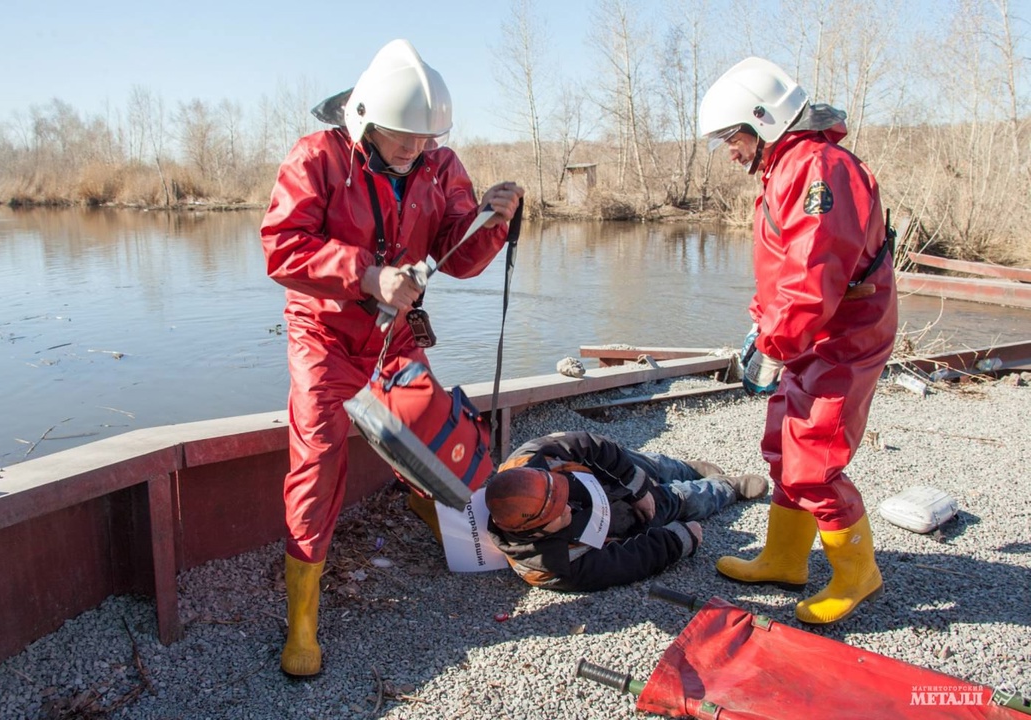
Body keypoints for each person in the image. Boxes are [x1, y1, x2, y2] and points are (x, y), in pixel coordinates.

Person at [260, 38, 524, 677]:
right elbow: (282, 249)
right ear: (365, 120)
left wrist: (491, 221)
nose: (414, 148)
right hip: (323, 336)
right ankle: (302, 621)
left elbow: (457, 259)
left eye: (425, 137)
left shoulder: (440, 166)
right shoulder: (316, 158)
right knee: (318, 461)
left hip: (394, 335)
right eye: (402, 136)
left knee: (434, 432)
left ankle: (436, 514)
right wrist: (368, 274)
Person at [698, 57, 897, 625]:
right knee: (785, 445)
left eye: (731, 136)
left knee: (815, 458)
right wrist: (763, 325)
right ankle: (786, 557)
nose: (729, 150)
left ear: (763, 122)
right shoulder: (789, 166)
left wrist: (774, 340)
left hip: (844, 334)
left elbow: (815, 272)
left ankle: (859, 573)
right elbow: (785, 270)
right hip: (813, 331)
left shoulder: (818, 170)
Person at [482, 431, 768, 592]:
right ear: (536, 530)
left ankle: (686, 469)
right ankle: (727, 488)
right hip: (617, 522)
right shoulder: (551, 568)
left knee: (647, 465)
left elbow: (592, 445)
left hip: (604, 478)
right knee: (676, 501)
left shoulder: (531, 456)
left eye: (562, 497)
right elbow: (626, 562)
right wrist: (680, 540)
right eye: (558, 512)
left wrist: (638, 487)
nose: (566, 507)